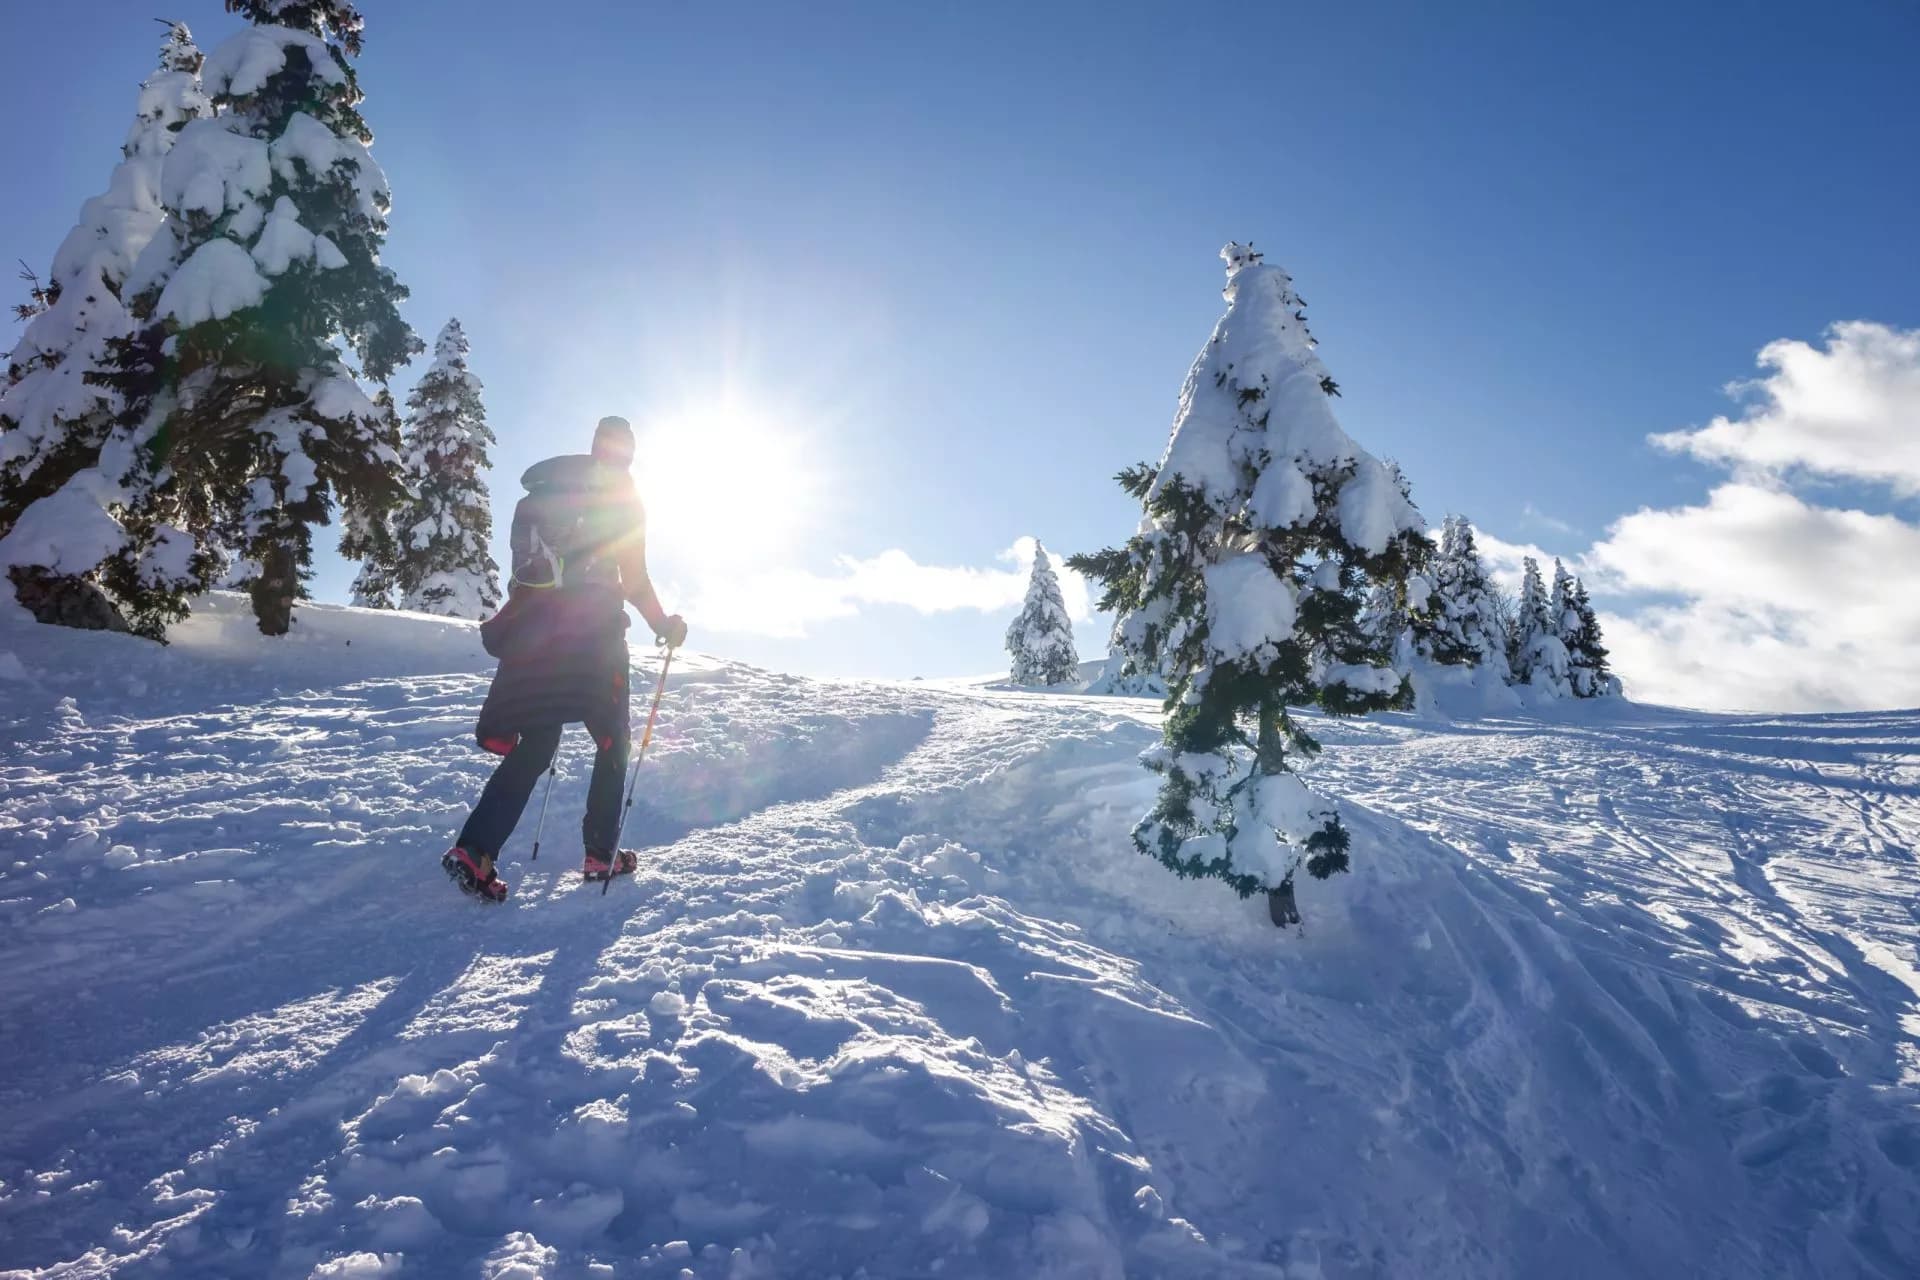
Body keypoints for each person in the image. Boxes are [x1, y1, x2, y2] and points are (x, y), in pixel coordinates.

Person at [442, 415, 688, 902]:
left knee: (535, 745)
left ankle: (475, 850)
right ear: (629, 455)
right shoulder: (623, 500)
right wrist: (663, 625)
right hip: (593, 636)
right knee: (611, 739)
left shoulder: (545, 493)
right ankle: (601, 853)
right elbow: (633, 579)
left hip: (536, 637)